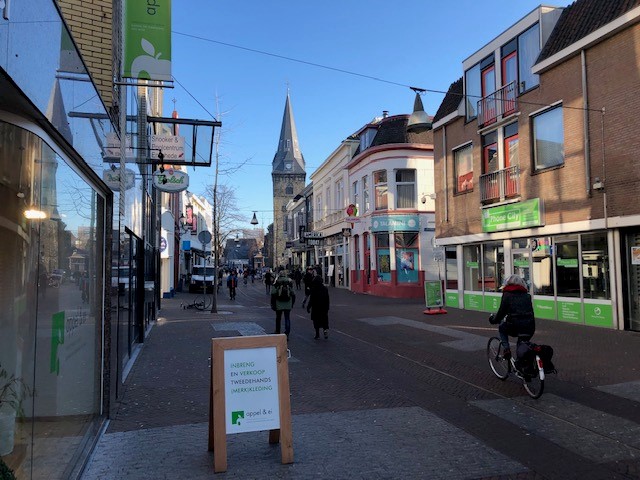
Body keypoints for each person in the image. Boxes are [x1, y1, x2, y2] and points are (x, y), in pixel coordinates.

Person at [490, 274, 535, 361]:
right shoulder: (527, 296)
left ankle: (506, 349)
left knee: (502, 328)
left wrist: (494, 320)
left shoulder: (507, 295)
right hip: (529, 327)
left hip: (514, 326)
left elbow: (501, 312)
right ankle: (522, 364)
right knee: (522, 345)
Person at [270, 267, 295, 338]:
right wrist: (292, 303)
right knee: (287, 318)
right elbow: (293, 293)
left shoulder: (277, 282)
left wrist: (272, 303)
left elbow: (273, 293)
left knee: (278, 318)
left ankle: (278, 331)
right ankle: (287, 332)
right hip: (288, 303)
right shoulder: (289, 282)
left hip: (279, 303)